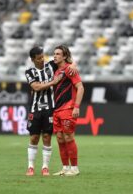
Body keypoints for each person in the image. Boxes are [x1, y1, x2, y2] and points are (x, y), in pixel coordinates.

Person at [25, 46, 77, 176]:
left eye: (43, 57)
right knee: (34, 137)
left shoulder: (50, 66)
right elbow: (36, 87)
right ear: (33, 60)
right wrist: (53, 83)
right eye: (38, 58)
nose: (42, 60)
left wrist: (74, 65)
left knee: (47, 137)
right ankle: (30, 166)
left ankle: (45, 167)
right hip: (35, 108)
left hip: (50, 109)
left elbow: (68, 61)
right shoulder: (29, 72)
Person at [52, 45, 84, 176]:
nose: (55, 56)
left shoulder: (70, 70)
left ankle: (75, 168)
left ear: (64, 56)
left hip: (68, 108)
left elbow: (80, 87)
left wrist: (76, 106)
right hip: (56, 110)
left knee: (68, 137)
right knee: (60, 138)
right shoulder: (55, 69)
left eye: (58, 54)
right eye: (54, 53)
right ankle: (65, 167)